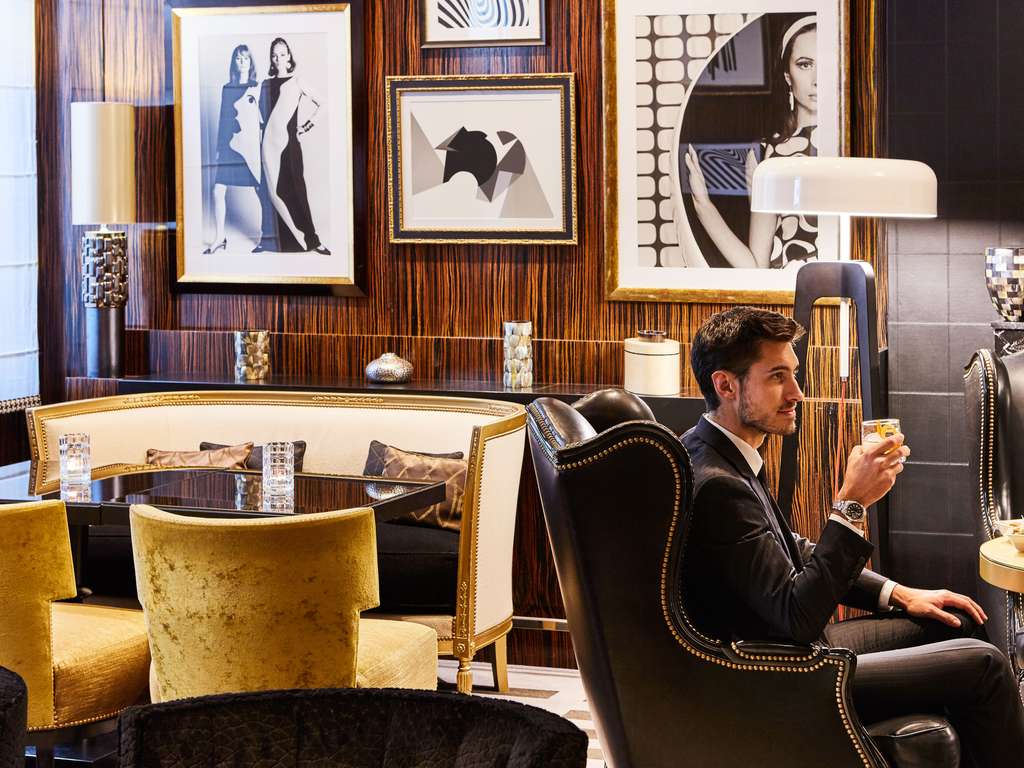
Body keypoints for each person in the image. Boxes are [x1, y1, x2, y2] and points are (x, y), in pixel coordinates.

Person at [681, 306, 1024, 766]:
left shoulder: (715, 452)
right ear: (726, 386)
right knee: (985, 666)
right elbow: (796, 617)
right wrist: (851, 504)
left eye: (794, 374)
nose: (797, 393)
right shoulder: (718, 483)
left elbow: (793, 549)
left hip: (797, 653)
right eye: (778, 377)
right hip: (782, 675)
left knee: (956, 620)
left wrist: (898, 593)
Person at [683, 16, 819, 269]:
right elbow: (756, 268)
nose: (817, 79)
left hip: (843, 288)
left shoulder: (853, 148)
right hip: (787, 290)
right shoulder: (766, 155)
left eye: (826, 65)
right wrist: (704, 206)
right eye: (805, 64)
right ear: (788, 76)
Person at [253, 37, 329, 255]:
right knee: (269, 192)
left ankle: (313, 240)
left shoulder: (297, 82)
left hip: (290, 145)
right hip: (268, 145)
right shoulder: (265, 84)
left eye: (282, 54)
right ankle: (268, 240)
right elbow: (261, 117)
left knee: (297, 189)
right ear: (271, 58)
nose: (278, 59)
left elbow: (323, 103)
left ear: (289, 56)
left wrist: (307, 126)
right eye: (274, 55)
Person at [203, 44, 261, 255]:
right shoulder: (227, 88)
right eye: (238, 58)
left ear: (250, 62)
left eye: (246, 58)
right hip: (229, 146)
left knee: (261, 190)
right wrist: (220, 147)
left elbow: (260, 120)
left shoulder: (258, 87)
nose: (242, 62)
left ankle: (266, 237)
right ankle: (219, 237)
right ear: (234, 62)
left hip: (250, 147)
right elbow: (224, 118)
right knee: (218, 190)